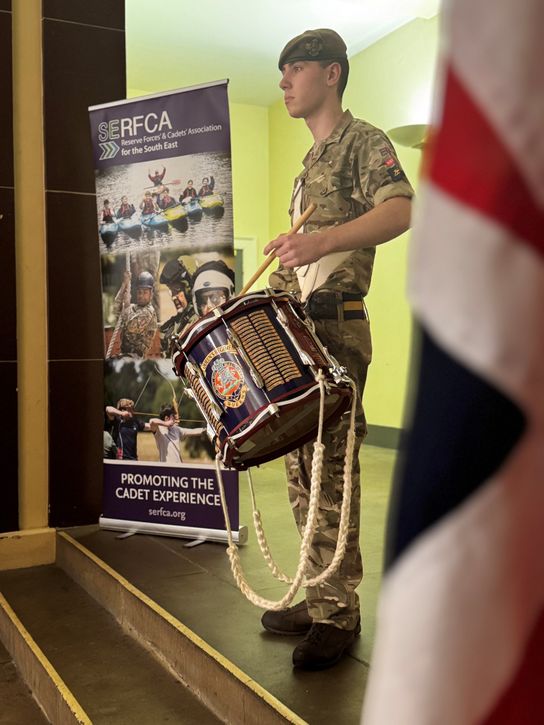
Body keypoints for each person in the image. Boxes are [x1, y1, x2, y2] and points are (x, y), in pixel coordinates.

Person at [260, 29, 413, 670]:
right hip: (300, 331)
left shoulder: (363, 141)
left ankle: (338, 614)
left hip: (337, 330)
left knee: (333, 471)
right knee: (301, 472)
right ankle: (314, 589)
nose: (284, 82)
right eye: (282, 72)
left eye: (294, 69)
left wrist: (318, 246)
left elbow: (401, 209)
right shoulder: (308, 167)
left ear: (331, 73)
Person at [114, 270, 158, 358]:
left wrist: (126, 305)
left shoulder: (149, 312)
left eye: (145, 292)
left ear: (151, 294)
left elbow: (131, 326)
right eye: (139, 292)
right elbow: (116, 308)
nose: (141, 295)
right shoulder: (134, 307)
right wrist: (124, 284)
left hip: (136, 357)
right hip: (125, 355)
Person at [158, 257, 195, 354]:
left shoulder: (199, 320)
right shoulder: (175, 323)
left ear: (190, 289)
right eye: (171, 290)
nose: (173, 297)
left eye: (177, 290)